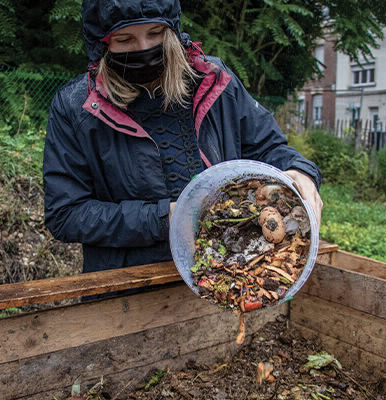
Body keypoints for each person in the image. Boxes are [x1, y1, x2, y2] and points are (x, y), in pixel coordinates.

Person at [43, 0, 323, 275]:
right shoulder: (77, 107)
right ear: (102, 44)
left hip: (225, 273)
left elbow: (269, 148)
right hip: (128, 288)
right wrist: (167, 218)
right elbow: (66, 214)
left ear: (173, 31)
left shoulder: (214, 81)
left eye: (156, 34)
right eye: (125, 39)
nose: (144, 48)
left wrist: (301, 171)